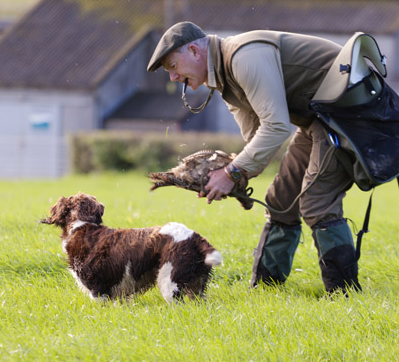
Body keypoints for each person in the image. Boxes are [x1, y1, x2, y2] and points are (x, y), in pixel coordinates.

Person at [147, 21, 361, 294]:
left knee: (316, 202)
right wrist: (228, 178)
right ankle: (266, 290)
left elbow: (277, 127)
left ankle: (345, 295)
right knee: (281, 201)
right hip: (319, 120)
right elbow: (257, 142)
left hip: (349, 113)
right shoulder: (225, 82)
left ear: (194, 51)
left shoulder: (243, 57)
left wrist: (231, 173)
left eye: (173, 67)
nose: (173, 78)